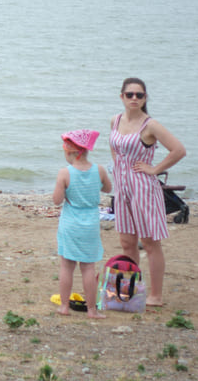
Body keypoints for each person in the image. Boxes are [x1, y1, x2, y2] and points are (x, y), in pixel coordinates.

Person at [110, 77, 186, 309]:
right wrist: (117, 170)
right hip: (121, 188)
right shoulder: (114, 120)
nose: (134, 98)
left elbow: (179, 150)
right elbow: (114, 148)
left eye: (139, 95)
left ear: (145, 98)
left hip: (143, 188)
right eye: (130, 94)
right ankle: (131, 289)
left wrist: (154, 169)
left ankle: (155, 295)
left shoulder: (150, 125)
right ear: (121, 96)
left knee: (150, 242)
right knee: (126, 242)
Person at [51, 130, 111, 318]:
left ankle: (64, 307)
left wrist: (65, 189)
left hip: (70, 223)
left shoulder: (65, 173)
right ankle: (92, 310)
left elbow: (57, 200)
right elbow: (108, 188)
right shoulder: (99, 170)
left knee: (67, 266)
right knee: (88, 267)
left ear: (71, 152)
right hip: (90, 223)